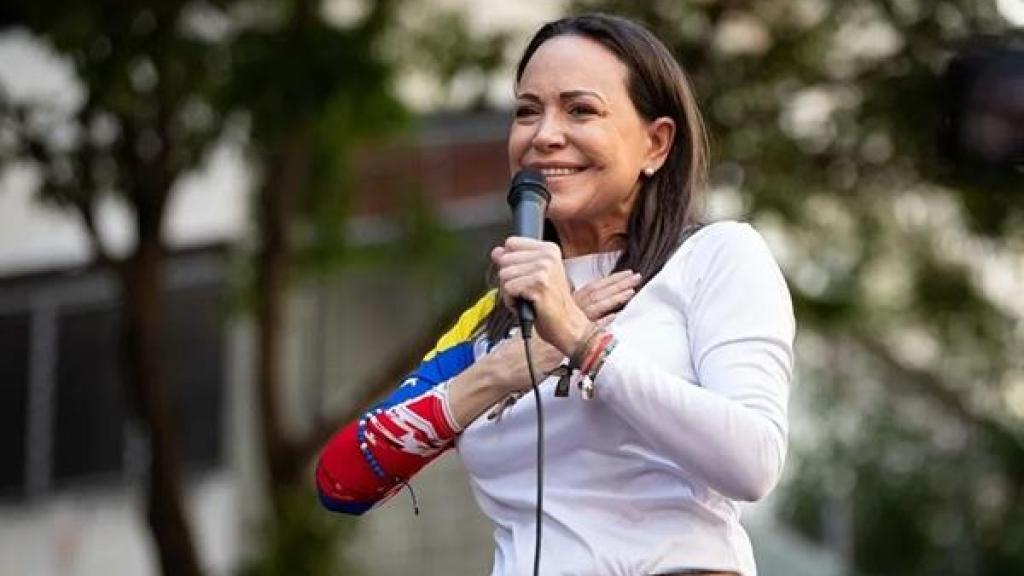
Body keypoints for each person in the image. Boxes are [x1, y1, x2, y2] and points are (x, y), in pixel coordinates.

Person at [316, 13, 795, 576]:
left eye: (581, 109)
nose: (544, 135)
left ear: (656, 143)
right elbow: (342, 479)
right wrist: (501, 373)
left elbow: (753, 462)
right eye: (526, 111)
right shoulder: (495, 321)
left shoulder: (713, 258)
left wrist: (581, 341)